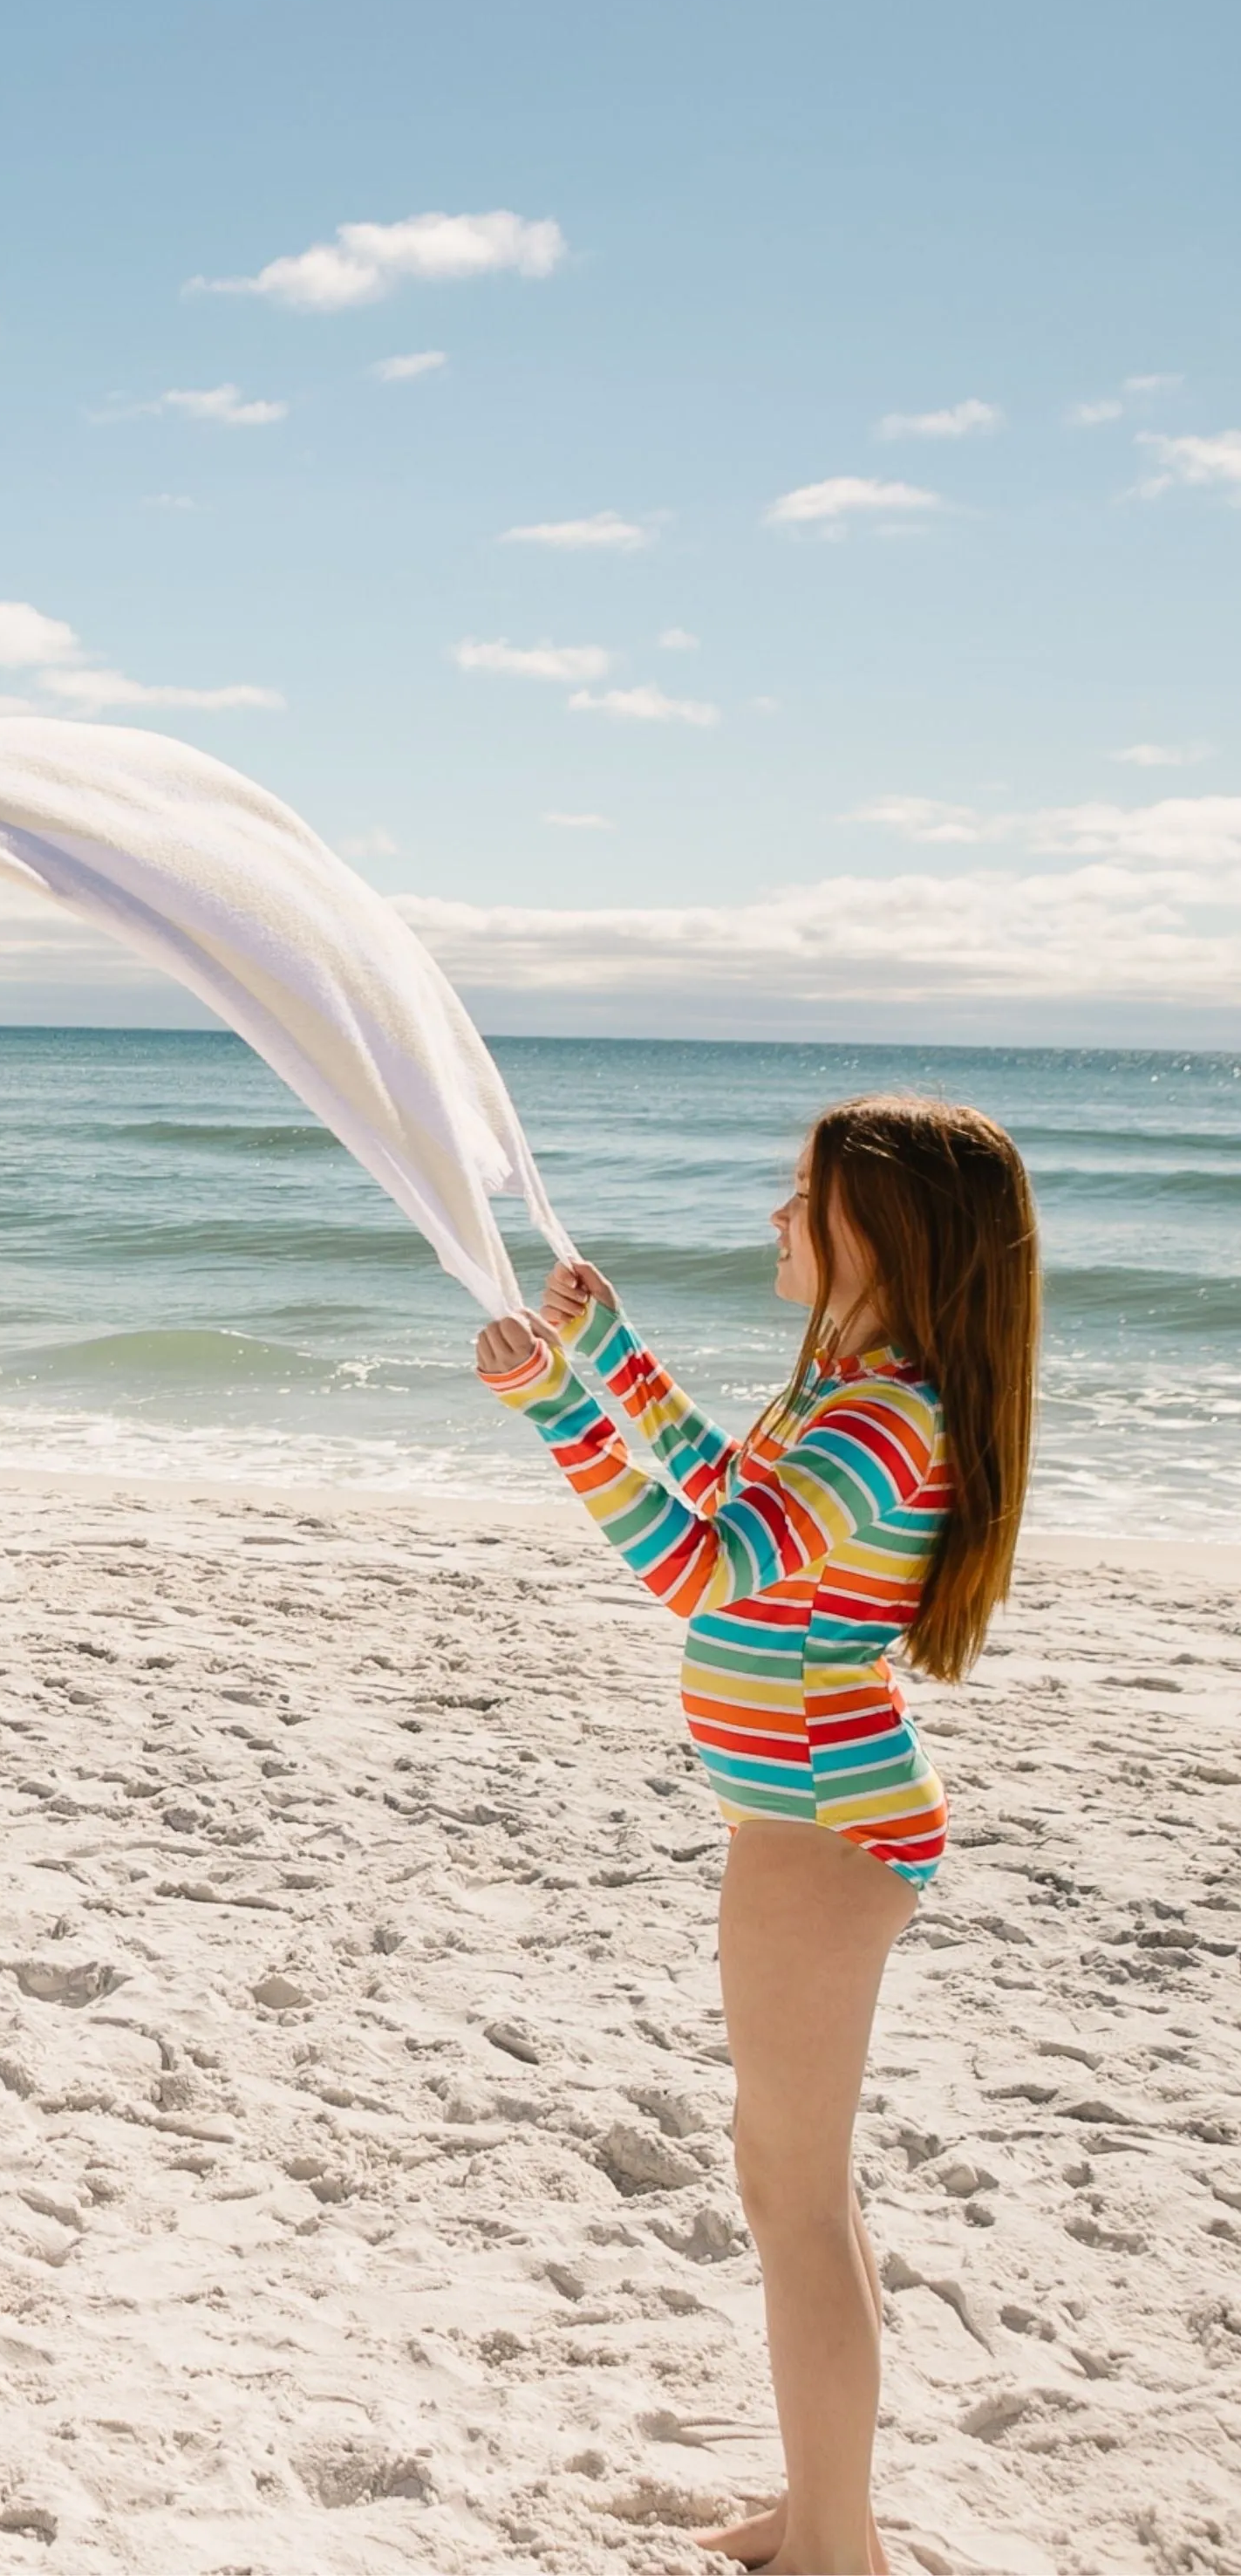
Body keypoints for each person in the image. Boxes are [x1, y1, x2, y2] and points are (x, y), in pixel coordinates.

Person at [474, 1096, 1037, 2576]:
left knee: (790, 2194)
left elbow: (706, 1569)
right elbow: (736, 1495)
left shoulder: (883, 1413)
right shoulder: (848, 1391)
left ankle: (836, 2552)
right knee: (800, 2184)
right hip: (807, 1814)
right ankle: (819, 2512)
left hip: (825, 1827)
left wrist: (555, 1415)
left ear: (884, 1233)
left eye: (806, 1198)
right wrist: (607, 1359)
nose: (778, 1218)